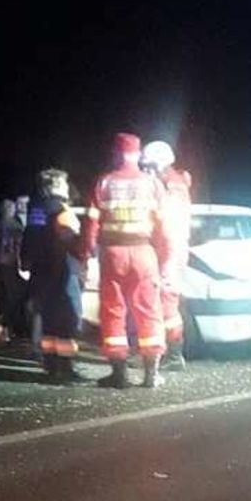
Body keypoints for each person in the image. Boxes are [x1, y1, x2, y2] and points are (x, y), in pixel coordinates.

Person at [81, 133, 169, 389]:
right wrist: (163, 258)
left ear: (115, 153)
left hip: (113, 254)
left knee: (113, 311)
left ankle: (119, 374)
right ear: (138, 154)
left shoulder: (104, 182)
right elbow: (164, 228)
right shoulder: (152, 184)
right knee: (149, 310)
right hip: (144, 252)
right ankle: (151, 374)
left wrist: (86, 253)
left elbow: (91, 224)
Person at [20, 169, 84, 383]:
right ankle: (65, 366)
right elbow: (73, 241)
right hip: (63, 270)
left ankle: (50, 364)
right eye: (64, 183)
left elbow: (29, 238)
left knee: (48, 321)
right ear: (55, 186)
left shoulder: (36, 210)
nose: (67, 187)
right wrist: (83, 255)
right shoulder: (62, 211)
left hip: (41, 272)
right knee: (68, 318)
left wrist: (26, 261)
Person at [141, 141, 193, 371]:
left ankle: (173, 354)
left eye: (149, 166)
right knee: (164, 302)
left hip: (169, 250)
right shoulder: (176, 182)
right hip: (171, 249)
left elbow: (166, 224)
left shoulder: (169, 187)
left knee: (167, 303)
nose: (146, 171)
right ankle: (168, 353)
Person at [0, 199, 27, 340]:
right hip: (11, 264)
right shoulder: (15, 226)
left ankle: (7, 329)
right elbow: (19, 247)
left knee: (5, 297)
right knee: (15, 297)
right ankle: (5, 327)